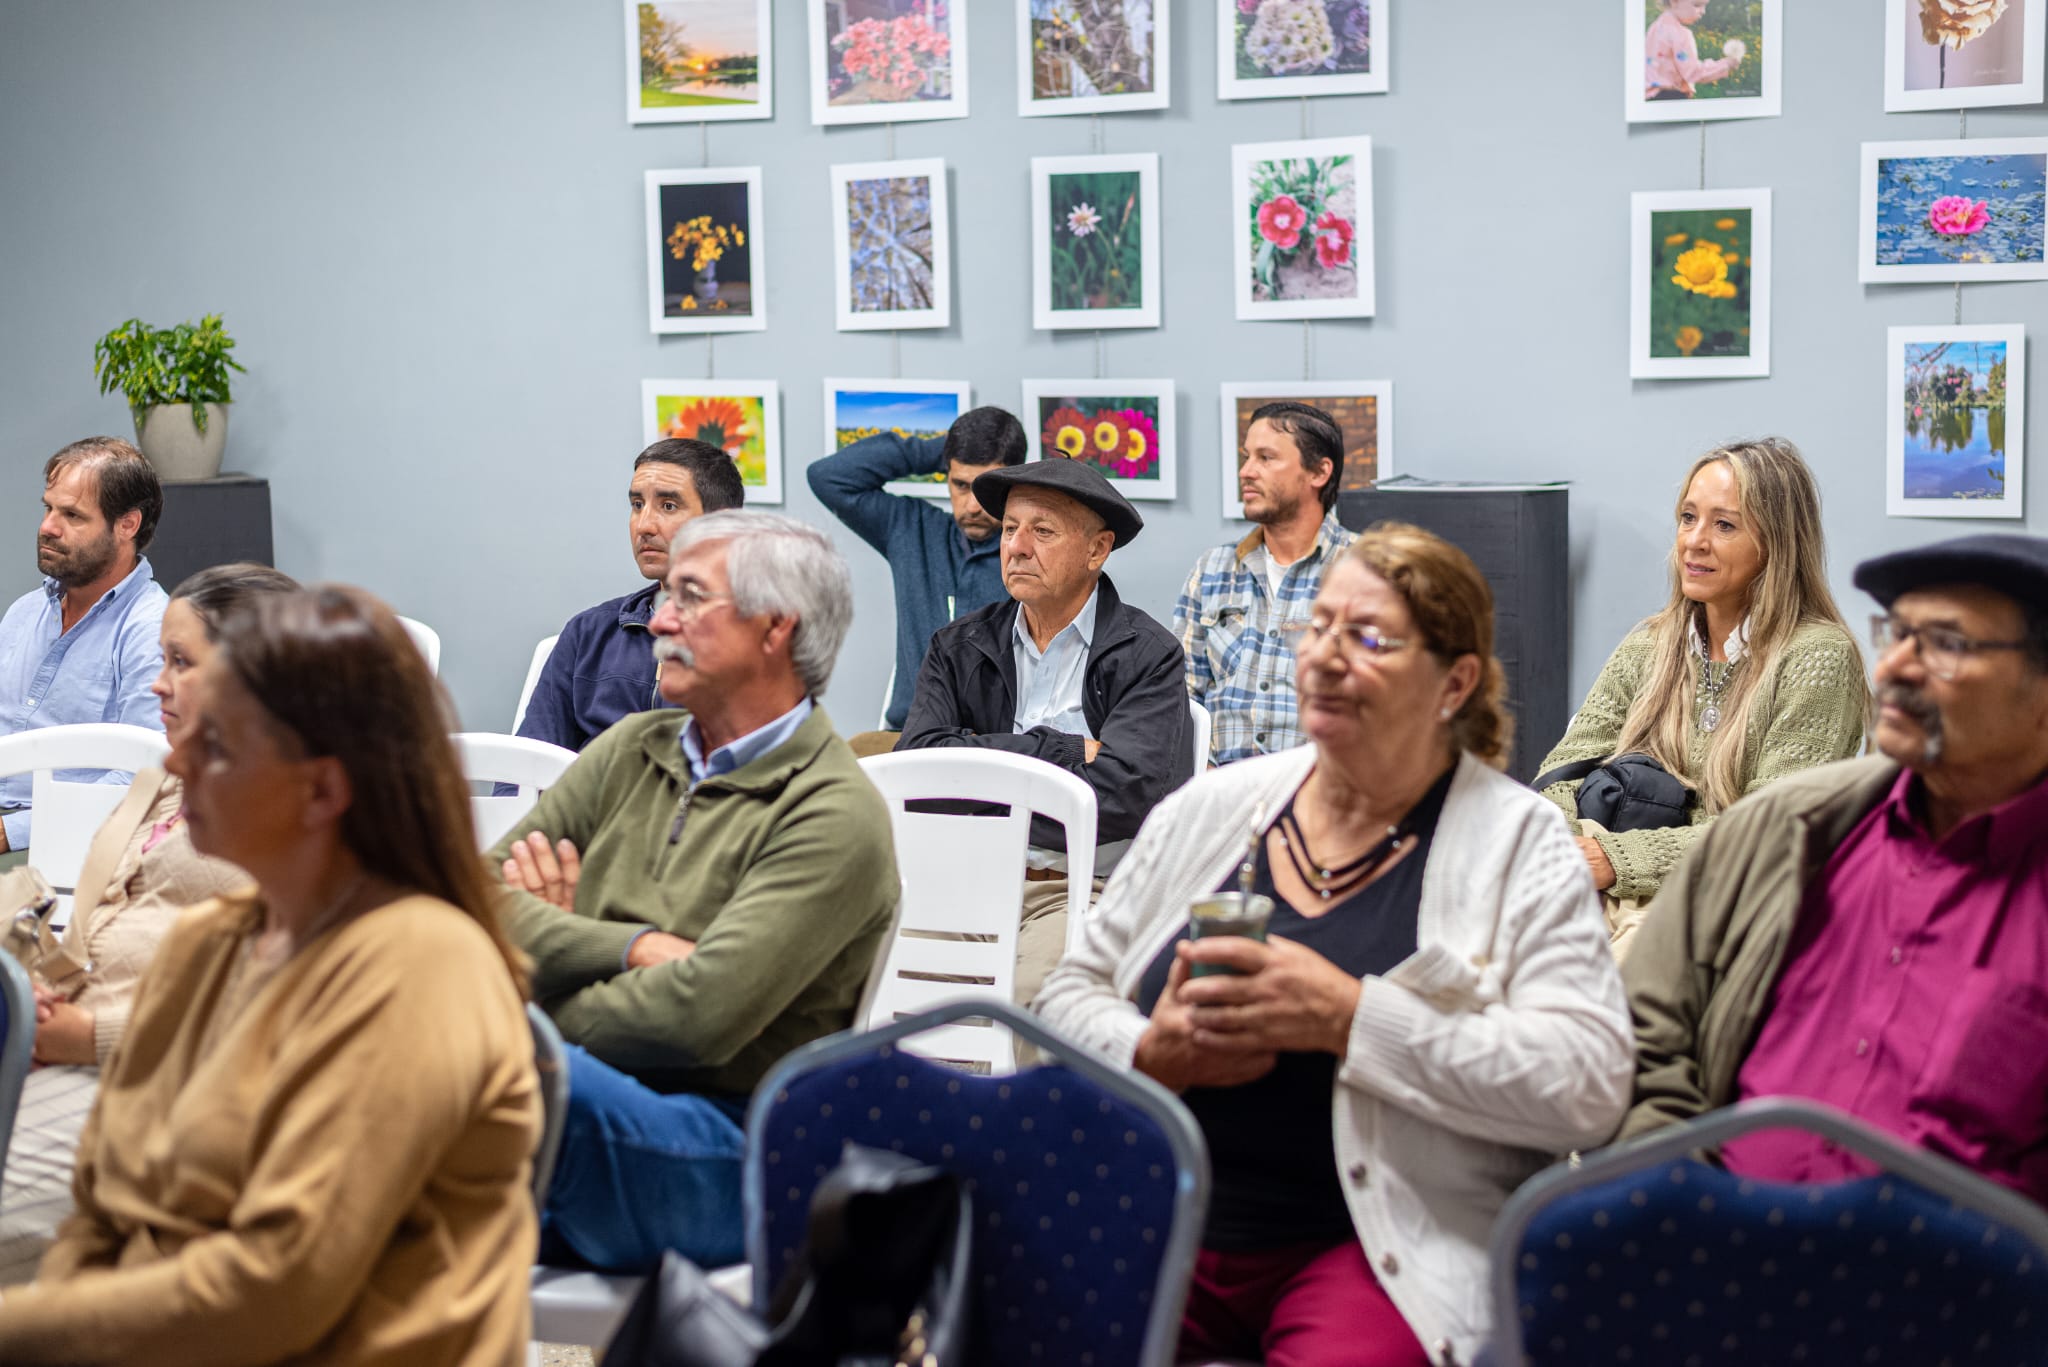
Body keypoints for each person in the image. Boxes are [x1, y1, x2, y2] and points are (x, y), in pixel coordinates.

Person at [1036, 523, 1631, 1367]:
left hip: (1375, 1240)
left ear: (1453, 682)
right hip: (1165, 1208)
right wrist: (1151, 1050)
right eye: (1317, 627)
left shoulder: (1516, 842)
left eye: (1370, 638)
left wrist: (1353, 1018)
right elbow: (1068, 995)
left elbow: (1586, 1085)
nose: (1325, 656)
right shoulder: (1213, 808)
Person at [0, 586, 539, 1365]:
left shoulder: (425, 965)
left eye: (216, 745)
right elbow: (102, 1203)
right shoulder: (211, 942)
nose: (177, 762)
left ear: (322, 789)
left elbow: (277, 1286)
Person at [491, 510, 896, 1274]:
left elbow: (694, 1018)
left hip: (733, 1154)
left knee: (509, 1066)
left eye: (687, 597)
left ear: (775, 627)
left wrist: (526, 998)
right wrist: (627, 947)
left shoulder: (832, 809)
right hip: (581, 1128)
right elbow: (468, 898)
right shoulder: (628, 750)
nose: (657, 620)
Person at [1622, 534, 2048, 1207]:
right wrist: (1685, 1201)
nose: (1894, 669)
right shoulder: (1779, 833)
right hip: (1712, 1262)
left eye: (1945, 644)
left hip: (1955, 1295)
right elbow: (1644, 1036)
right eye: (1897, 634)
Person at [0, 563, 300, 1285]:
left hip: (159, 1072)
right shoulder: (169, 772)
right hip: (66, 1033)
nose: (158, 683)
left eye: (181, 662)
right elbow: (103, 923)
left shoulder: (301, 804)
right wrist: (39, 988)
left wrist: (89, 1034)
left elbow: (286, 999)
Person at [1534, 439, 1868, 948]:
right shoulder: (1651, 642)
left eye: (1724, 525)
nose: (1694, 541)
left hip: (1728, 901)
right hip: (1602, 883)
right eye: (1688, 518)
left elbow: (1770, 832)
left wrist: (1617, 862)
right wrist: (1568, 845)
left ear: (1778, 543)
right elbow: (1563, 770)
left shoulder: (1817, 656)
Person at [897, 459, 1192, 1008]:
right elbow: (919, 765)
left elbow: (1127, 796)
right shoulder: (957, 645)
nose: (1017, 546)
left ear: (1097, 551)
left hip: (1085, 891)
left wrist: (983, 783)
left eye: (1043, 531)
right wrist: (1060, 749)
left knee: (1036, 1002)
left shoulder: (1148, 655)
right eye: (1010, 527)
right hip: (966, 877)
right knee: (896, 982)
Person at [806, 405, 1023, 735]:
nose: (973, 505)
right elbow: (828, 477)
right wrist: (945, 450)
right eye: (961, 485)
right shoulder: (911, 528)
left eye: (986, 486)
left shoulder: (1033, 552)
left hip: (999, 742)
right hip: (908, 734)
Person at [517, 438, 746, 751]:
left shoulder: (754, 639)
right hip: (587, 798)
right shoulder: (588, 634)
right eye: (637, 505)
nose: (644, 525)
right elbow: (524, 770)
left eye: (668, 506)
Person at [0, 438, 168, 853]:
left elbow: (142, 776)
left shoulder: (151, 629)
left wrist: (12, 832)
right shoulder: (25, 611)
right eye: (48, 508)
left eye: (72, 515)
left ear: (127, 524)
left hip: (67, 844)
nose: (48, 527)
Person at [1175, 401, 1358, 766]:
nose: (1246, 472)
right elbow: (1182, 696)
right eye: (1246, 457)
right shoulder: (1212, 569)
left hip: (1322, 795)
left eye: (1266, 458)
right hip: (1219, 791)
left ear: (1319, 472)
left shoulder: (1367, 570)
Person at [1644, 0, 1739, 101]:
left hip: (1648, 96)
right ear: (1674, 2)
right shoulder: (1681, 34)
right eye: (1697, 5)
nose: (1703, 11)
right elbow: (1693, 72)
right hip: (1670, 97)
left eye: (1704, 6)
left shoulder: (1655, 28)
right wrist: (1725, 64)